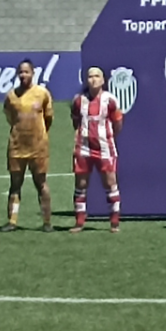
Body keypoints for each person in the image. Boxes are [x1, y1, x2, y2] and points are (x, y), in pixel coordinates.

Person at [69, 67, 125, 233]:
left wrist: (108, 137)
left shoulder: (110, 100)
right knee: (81, 183)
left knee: (110, 182)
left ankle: (114, 223)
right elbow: (75, 121)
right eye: (90, 76)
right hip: (84, 147)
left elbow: (118, 123)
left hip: (105, 146)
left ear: (103, 80)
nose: (93, 79)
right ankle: (79, 222)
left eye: (97, 76)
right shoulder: (79, 100)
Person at [2, 59, 54, 232]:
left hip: (38, 147)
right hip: (17, 147)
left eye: (27, 72)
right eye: (21, 72)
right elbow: (10, 118)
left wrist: (39, 134)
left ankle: (47, 222)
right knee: (15, 184)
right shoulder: (11, 96)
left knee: (41, 183)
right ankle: (12, 221)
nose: (23, 75)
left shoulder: (42, 93)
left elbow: (48, 118)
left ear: (33, 73)